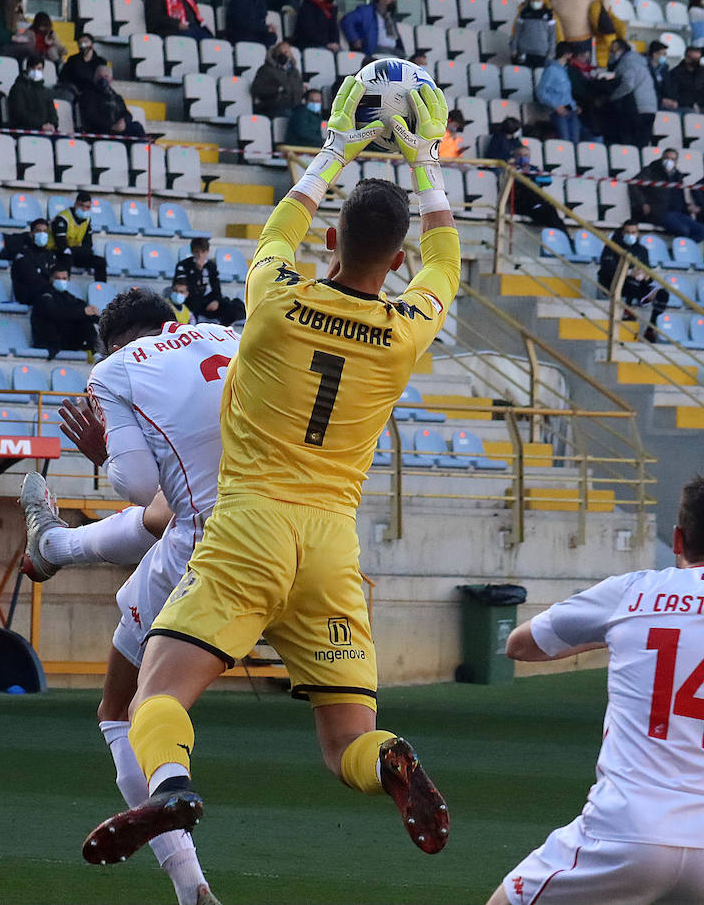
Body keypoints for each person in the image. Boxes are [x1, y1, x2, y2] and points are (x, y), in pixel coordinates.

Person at [81, 77, 456, 867]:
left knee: (156, 695)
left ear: (330, 245)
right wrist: (424, 161)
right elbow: (446, 261)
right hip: (329, 547)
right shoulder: (405, 332)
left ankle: (173, 784)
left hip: (247, 526)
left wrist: (337, 149)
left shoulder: (275, 299)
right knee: (346, 737)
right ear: (396, 262)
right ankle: (386, 759)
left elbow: (283, 225)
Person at [487, 476, 704, 905]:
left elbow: (521, 645)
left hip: (625, 832)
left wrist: (609, 633)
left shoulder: (633, 591)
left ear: (678, 539)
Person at [21, 293, 239, 904]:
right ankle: (370, 753)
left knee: (122, 711)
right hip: (298, 547)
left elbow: (152, 504)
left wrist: (112, 453)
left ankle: (190, 886)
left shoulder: (129, 373)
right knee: (345, 724)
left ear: (120, 348)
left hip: (206, 554)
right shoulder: (227, 344)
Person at [629, 150, 704, 243]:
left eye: (672, 159)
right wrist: (643, 203)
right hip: (658, 212)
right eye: (667, 158)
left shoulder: (678, 176)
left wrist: (688, 208)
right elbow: (634, 184)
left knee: (703, 231)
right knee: (683, 230)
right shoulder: (651, 170)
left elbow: (680, 196)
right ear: (661, 158)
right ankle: (680, 250)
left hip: (679, 213)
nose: (669, 161)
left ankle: (684, 249)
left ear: (676, 162)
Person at [173, 238, 245, 326]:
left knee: (234, 307)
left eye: (203, 252)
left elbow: (216, 287)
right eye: (196, 252)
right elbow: (182, 287)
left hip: (209, 300)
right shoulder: (183, 265)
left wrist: (216, 301)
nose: (200, 255)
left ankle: (222, 327)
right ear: (192, 252)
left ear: (207, 251)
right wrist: (198, 270)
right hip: (192, 300)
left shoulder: (211, 266)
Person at [31, 266, 98, 357]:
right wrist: (83, 312)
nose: (61, 281)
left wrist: (94, 314)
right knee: (81, 315)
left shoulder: (67, 296)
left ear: (68, 279)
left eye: (64, 278)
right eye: (57, 278)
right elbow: (55, 313)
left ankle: (92, 350)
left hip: (66, 339)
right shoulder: (44, 294)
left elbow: (79, 307)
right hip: (50, 341)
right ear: (51, 278)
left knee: (86, 320)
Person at [605, 39, 655, 147]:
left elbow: (628, 85)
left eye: (612, 50)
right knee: (642, 146)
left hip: (637, 107)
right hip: (650, 107)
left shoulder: (627, 62)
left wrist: (613, 97)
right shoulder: (642, 62)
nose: (611, 53)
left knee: (630, 144)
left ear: (619, 49)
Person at [49, 192, 107, 283]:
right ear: (75, 204)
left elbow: (88, 245)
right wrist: (76, 250)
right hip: (56, 252)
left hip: (72, 251)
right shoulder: (63, 218)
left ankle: (102, 290)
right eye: (81, 206)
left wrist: (78, 250)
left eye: (87, 207)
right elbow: (62, 245)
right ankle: (65, 288)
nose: (84, 209)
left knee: (100, 261)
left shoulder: (87, 220)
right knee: (66, 258)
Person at [80, 66, 146, 137]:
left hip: (118, 129)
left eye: (106, 77)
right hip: (100, 130)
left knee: (137, 127)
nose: (103, 79)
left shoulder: (116, 97)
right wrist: (111, 126)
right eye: (100, 76)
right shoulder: (88, 95)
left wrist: (123, 122)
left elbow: (126, 113)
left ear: (111, 80)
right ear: (94, 78)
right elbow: (91, 117)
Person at [536, 42, 582, 142]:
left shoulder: (564, 70)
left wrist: (574, 105)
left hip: (570, 110)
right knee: (564, 140)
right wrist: (556, 106)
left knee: (575, 141)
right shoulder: (551, 70)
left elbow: (565, 93)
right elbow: (541, 92)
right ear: (566, 54)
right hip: (558, 112)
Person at [340, 0, 405, 58]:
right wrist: (354, 39)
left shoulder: (390, 16)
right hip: (374, 49)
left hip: (393, 50)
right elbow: (347, 20)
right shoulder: (366, 11)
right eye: (391, 1)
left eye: (394, 1)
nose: (393, 4)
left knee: (405, 58)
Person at [10, 217, 58, 306]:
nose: (42, 234)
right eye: (38, 231)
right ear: (31, 234)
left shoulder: (50, 255)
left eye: (45, 231)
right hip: (27, 294)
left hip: (46, 293)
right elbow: (32, 278)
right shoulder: (23, 254)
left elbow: (55, 275)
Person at [250, 42, 303, 118]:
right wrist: (276, 89)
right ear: (275, 54)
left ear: (290, 54)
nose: (283, 54)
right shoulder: (266, 69)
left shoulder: (294, 71)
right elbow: (256, 89)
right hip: (273, 108)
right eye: (279, 52)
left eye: (286, 52)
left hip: (294, 107)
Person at [7, 56, 58, 133]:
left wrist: (52, 124)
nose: (36, 72)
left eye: (39, 69)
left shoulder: (45, 91)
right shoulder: (17, 88)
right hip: (25, 130)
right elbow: (20, 114)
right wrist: (41, 125)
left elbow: (52, 113)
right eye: (33, 68)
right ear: (27, 69)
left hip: (45, 131)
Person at [660, 47, 704, 115]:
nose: (696, 62)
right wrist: (690, 104)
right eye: (693, 59)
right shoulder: (676, 73)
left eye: (698, 59)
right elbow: (673, 94)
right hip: (683, 107)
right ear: (687, 58)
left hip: (702, 107)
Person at [511, 0, 558, 67]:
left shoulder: (549, 16)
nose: (536, 3)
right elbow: (516, 33)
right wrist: (513, 49)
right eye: (534, 0)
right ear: (530, 2)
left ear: (543, 2)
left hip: (542, 53)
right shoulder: (523, 14)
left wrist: (551, 53)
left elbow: (552, 36)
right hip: (524, 51)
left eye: (538, 1)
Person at [59, 33, 109, 102]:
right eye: (80, 43)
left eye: (85, 42)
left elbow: (103, 80)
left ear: (92, 45)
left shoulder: (101, 62)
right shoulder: (73, 60)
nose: (83, 45)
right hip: (74, 92)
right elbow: (63, 77)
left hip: (93, 93)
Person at [146, 0, 212, 39]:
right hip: (170, 30)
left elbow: (195, 18)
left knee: (210, 41)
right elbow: (154, 17)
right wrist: (177, 24)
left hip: (192, 29)